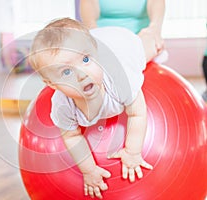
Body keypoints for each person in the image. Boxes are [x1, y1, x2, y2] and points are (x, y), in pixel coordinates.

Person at [29, 18, 153, 199]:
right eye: (66, 72)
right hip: (99, 44)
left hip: (123, 45)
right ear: (51, 84)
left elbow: (137, 113)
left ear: (97, 55)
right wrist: (89, 170)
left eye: (86, 60)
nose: (82, 74)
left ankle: (148, 35)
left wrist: (132, 152)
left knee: (147, 51)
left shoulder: (121, 81)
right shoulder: (62, 107)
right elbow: (71, 136)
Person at [79, 0, 165, 61]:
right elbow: (90, 23)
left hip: (140, 39)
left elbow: (155, 25)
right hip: (105, 39)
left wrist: (154, 30)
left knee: (150, 41)